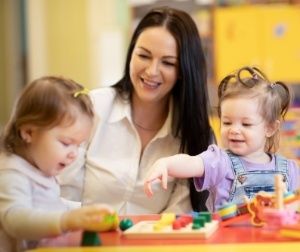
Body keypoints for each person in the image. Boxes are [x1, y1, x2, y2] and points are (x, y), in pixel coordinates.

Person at [57, 6, 214, 214]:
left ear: (183, 71)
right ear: (131, 53)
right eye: (144, 55)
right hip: (84, 240)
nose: (151, 71)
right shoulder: (93, 108)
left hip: (152, 245)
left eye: (167, 62)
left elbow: (179, 216)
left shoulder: (195, 134)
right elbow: (62, 190)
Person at [144, 66, 300, 212]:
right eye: (227, 122)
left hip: (276, 241)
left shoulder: (290, 170)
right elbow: (192, 162)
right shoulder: (219, 161)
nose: (234, 129)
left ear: (270, 128)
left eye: (246, 124)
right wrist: (165, 163)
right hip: (230, 241)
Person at [0, 76, 115, 252]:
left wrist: (85, 211)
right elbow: (15, 220)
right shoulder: (12, 174)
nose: (73, 154)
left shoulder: (39, 169)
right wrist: (67, 220)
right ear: (29, 132)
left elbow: (48, 203)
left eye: (79, 146)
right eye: (66, 143)